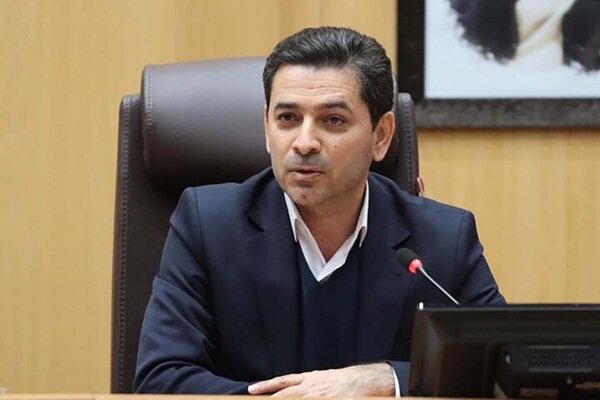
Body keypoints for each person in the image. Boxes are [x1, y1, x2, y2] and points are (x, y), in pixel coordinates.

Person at [133, 26, 505, 396]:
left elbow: (501, 367)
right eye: (287, 119)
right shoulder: (207, 225)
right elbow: (160, 378)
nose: (305, 142)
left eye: (333, 120)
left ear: (381, 136)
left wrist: (387, 381)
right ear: (266, 128)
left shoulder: (443, 239)